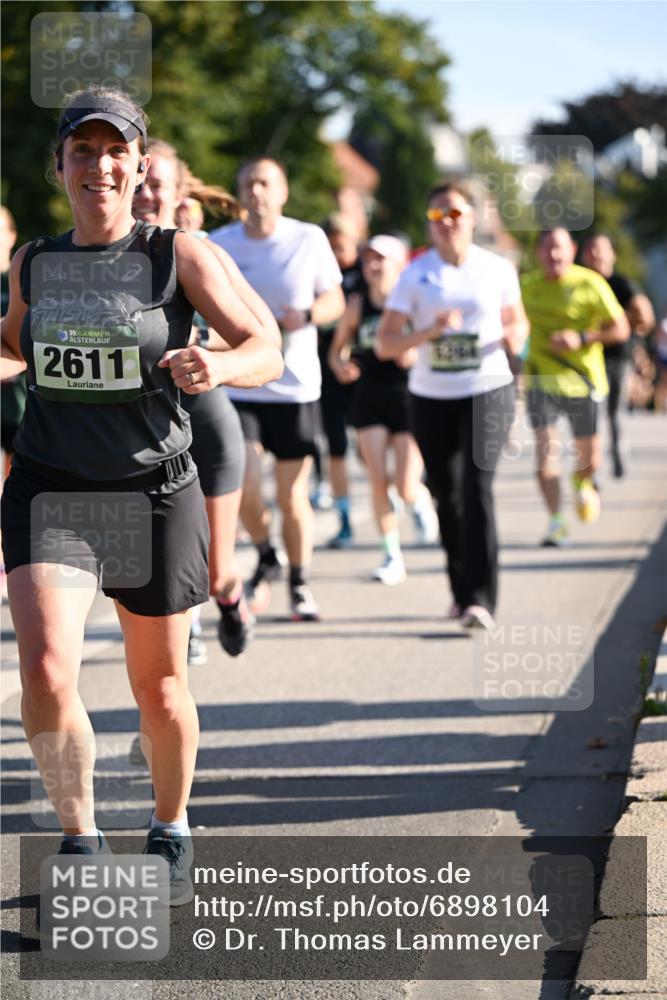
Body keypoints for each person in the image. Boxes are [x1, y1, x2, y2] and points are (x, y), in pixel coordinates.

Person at [0, 87, 283, 904]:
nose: (99, 165)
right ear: (59, 168)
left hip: (151, 489)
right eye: (81, 152)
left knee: (156, 685)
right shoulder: (34, 263)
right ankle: (80, 839)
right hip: (51, 487)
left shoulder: (178, 257)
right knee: (48, 669)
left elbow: (264, 344)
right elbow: (16, 342)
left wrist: (219, 366)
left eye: (113, 149)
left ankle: (170, 824)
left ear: (139, 163)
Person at [134, 138, 281, 661]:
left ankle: (231, 596)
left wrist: (204, 351)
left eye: (158, 185)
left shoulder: (200, 255)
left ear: (178, 197)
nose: (145, 194)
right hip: (142, 436)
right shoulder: (93, 258)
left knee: (217, 569)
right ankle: (182, 629)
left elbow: (262, 340)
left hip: (207, 428)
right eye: (141, 182)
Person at [376, 180, 529, 630]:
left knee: (477, 489)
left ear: (473, 218)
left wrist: (516, 336)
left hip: (488, 387)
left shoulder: (497, 268)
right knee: (447, 492)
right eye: (438, 216)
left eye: (456, 214)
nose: (447, 223)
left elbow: (516, 321)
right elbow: (386, 344)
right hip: (431, 394)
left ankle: (482, 599)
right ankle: (461, 591)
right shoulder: (415, 274)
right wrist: (429, 333)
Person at [209, 158, 344, 621]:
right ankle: (267, 551)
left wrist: (306, 317)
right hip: (241, 385)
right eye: (248, 182)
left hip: (295, 387)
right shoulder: (220, 244)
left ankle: (300, 582)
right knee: (243, 486)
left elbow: (336, 299)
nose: (256, 190)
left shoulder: (308, 238)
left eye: (265, 182)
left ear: (283, 191)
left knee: (292, 497)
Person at [329, 234, 437, 584]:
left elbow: (433, 342)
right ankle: (392, 555)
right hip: (369, 395)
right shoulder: (358, 304)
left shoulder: (412, 304)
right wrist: (340, 365)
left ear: (398, 264)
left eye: (381, 260)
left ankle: (418, 500)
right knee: (378, 480)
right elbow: (336, 349)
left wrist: (414, 353)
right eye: (368, 260)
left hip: (408, 395)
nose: (372, 266)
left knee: (405, 485)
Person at [521, 228, 630, 546]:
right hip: (542, 380)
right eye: (547, 249)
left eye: (559, 248)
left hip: (583, 381)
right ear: (538, 254)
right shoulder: (526, 287)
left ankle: (582, 481)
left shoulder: (590, 283)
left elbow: (621, 328)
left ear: (572, 250)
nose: (553, 255)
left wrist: (582, 338)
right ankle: (556, 522)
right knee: (545, 456)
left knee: (591, 460)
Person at [581, 233, 655, 477]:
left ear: (612, 254)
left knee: (614, 412)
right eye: (591, 249)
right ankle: (594, 466)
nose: (596, 254)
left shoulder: (622, 284)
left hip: (618, 358)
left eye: (601, 249)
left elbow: (645, 318)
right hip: (587, 359)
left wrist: (622, 327)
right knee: (593, 413)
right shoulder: (579, 284)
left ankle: (617, 453)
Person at [313, 214, 365, 547]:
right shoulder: (319, 275)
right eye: (329, 247)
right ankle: (344, 519)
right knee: (335, 445)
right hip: (325, 369)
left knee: (369, 445)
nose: (335, 253)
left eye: (341, 246)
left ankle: (398, 493)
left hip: (363, 370)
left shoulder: (367, 272)